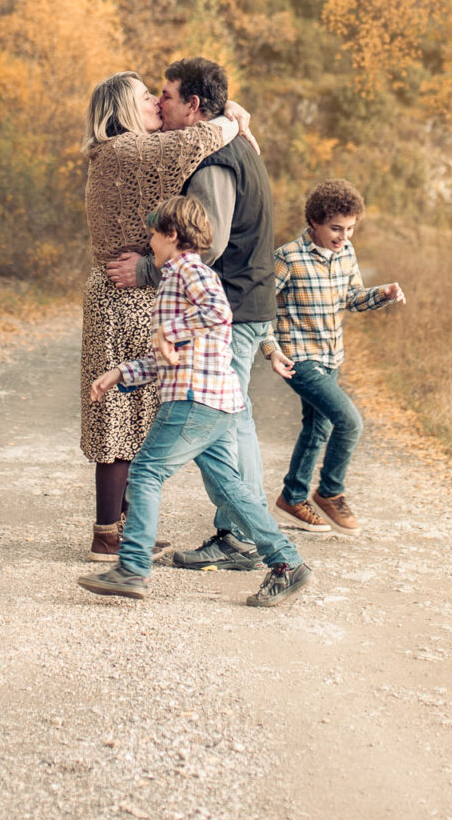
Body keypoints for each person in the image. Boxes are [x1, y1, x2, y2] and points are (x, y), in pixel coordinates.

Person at [80, 196, 312, 607]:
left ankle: (131, 568)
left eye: (153, 235)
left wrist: (168, 330)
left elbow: (218, 313)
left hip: (194, 400)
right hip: (216, 401)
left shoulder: (189, 270)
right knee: (230, 490)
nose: (149, 243)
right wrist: (121, 373)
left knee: (146, 472)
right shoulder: (177, 277)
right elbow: (170, 354)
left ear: (172, 235)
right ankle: (287, 564)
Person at [105, 57, 276, 572]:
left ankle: (244, 539)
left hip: (235, 305)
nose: (161, 103)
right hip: (246, 302)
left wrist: (146, 270)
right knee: (226, 429)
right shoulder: (225, 141)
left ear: (194, 107)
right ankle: (239, 534)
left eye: (168, 96)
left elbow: (208, 243)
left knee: (234, 426)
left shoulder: (215, 159)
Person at [264, 179, 403, 535]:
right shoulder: (288, 258)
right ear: (314, 222)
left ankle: (292, 497)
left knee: (318, 426)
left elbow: (352, 298)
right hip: (299, 359)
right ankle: (329, 492)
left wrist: (383, 293)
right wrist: (270, 349)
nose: (343, 236)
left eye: (351, 229)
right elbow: (259, 309)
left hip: (331, 356)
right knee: (350, 423)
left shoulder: (346, 253)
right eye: (336, 228)